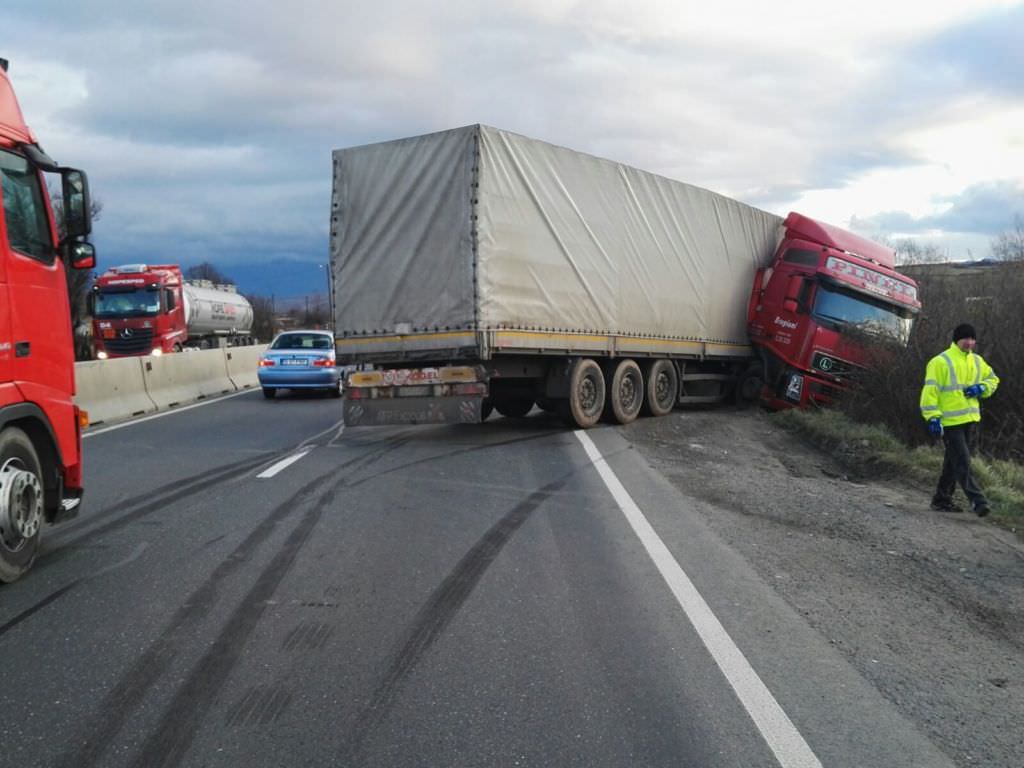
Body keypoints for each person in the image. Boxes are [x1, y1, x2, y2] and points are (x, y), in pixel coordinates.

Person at [919, 323, 999, 516]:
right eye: (966, 338)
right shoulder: (940, 362)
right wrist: (933, 418)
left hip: (969, 420)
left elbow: (993, 379)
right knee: (962, 461)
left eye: (972, 339)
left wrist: (981, 388)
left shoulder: (977, 361)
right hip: (949, 422)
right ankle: (978, 502)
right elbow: (930, 393)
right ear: (957, 339)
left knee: (952, 461)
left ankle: (941, 499)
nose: (969, 342)